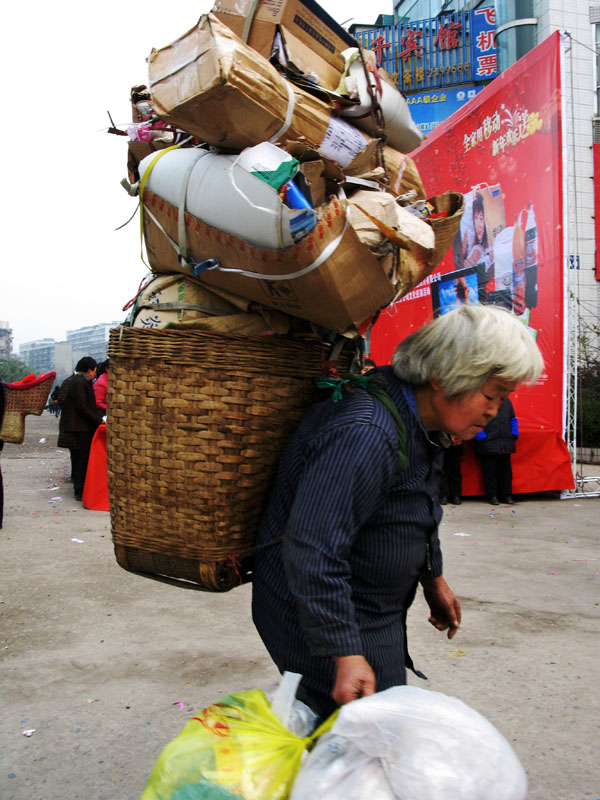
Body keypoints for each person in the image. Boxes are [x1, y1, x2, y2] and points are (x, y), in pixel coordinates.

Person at [251, 305, 543, 722]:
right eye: (492, 394)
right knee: (363, 744)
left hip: (371, 612)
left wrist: (432, 575)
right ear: (445, 376)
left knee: (368, 740)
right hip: (320, 620)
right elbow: (312, 550)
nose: (494, 410)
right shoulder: (366, 433)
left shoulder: (417, 416)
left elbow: (416, 503)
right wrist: (345, 652)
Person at [61, 357, 104, 501]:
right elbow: (83, 406)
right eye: (94, 371)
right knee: (82, 459)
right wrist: (98, 419)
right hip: (81, 427)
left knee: (82, 458)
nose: (94, 374)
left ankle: (81, 487)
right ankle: (80, 489)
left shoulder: (80, 381)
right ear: (89, 369)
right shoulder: (79, 382)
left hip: (83, 426)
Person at [473, 396, 519, 505]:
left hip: (505, 442)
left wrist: (514, 433)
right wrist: (479, 434)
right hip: (488, 442)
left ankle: (506, 496)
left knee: (506, 473)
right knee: (490, 472)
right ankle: (492, 496)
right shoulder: (482, 400)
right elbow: (474, 418)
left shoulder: (507, 401)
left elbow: (512, 418)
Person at [463, 192, 490, 269]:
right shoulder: (470, 237)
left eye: (481, 219)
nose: (478, 225)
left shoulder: (488, 247)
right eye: (476, 218)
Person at [440, 435, 464, 505]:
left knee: (455, 471)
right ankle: (443, 495)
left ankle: (456, 495)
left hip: (455, 443)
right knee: (442, 471)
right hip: (440, 441)